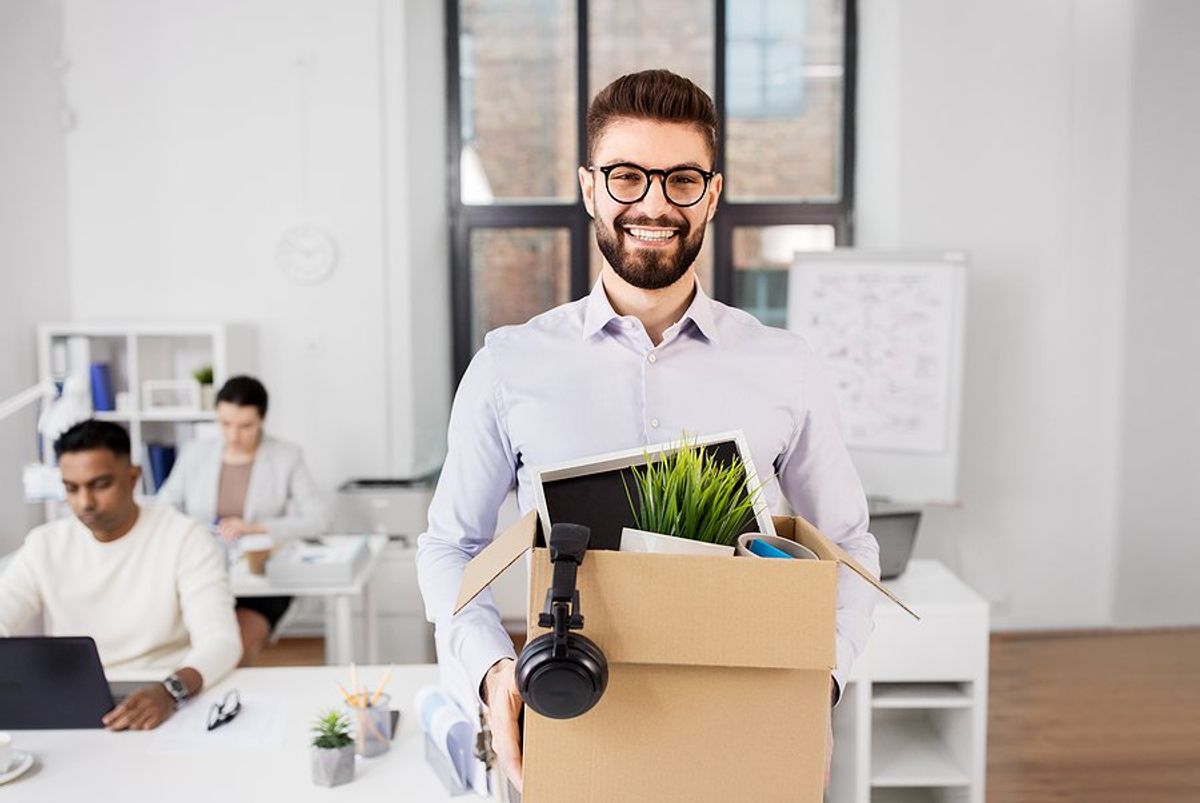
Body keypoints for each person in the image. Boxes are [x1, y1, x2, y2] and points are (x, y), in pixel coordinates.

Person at [416, 69, 881, 792]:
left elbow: (848, 543)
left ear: (713, 194)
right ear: (590, 188)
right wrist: (490, 668)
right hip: (572, 718)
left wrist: (821, 680)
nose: (655, 204)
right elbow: (452, 545)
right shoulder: (508, 365)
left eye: (682, 179)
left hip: (744, 724)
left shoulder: (785, 365)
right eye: (628, 176)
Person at [0, 420, 241, 730]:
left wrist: (170, 691)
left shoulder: (184, 537)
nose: (85, 502)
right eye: (72, 488)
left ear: (133, 476)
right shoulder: (45, 545)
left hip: (168, 695)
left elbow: (220, 640)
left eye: (100, 484)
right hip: (74, 701)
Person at [158, 375, 331, 665]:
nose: (234, 436)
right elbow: (164, 508)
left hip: (259, 584)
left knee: (231, 651)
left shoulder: (286, 456)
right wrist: (198, 531)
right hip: (203, 573)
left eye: (245, 426)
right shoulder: (195, 454)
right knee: (197, 651)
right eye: (225, 424)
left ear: (262, 419)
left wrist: (254, 527)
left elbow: (320, 519)